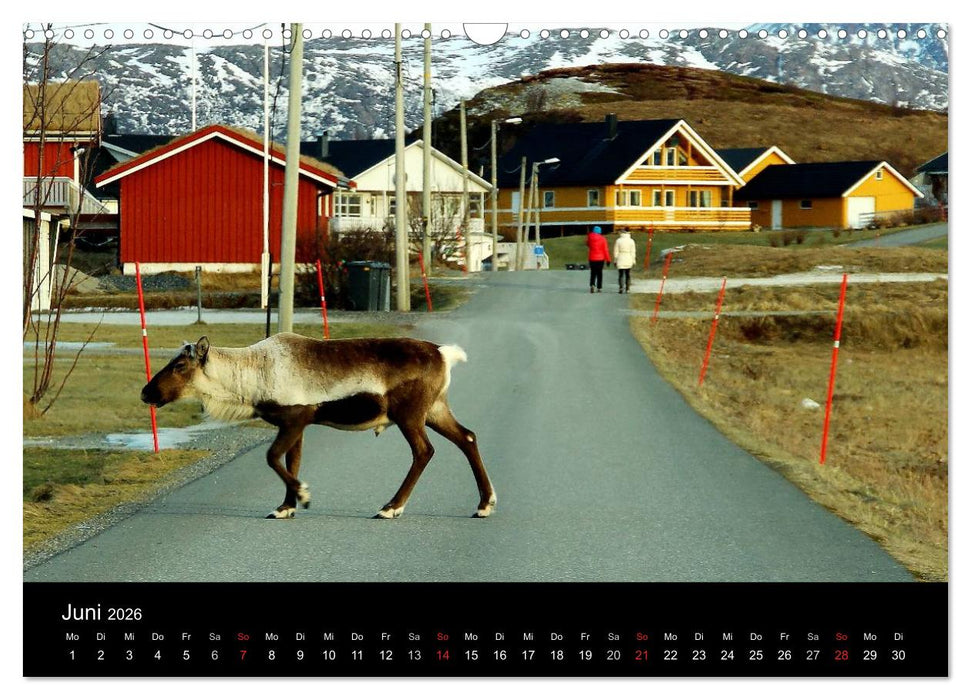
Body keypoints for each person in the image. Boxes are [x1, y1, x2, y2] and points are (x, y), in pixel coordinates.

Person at [586, 226, 611, 293]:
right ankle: (599, 287)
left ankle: (592, 285)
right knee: (599, 273)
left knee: (593, 272)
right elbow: (605, 250)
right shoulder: (603, 239)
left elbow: (587, 244)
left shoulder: (589, 237)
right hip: (600, 258)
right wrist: (608, 259)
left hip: (592, 257)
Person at [613, 228, 636, 293]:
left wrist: (615, 260)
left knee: (621, 274)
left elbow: (616, 251)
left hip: (620, 257)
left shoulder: (618, 241)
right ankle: (627, 288)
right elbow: (633, 252)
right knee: (628, 274)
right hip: (628, 257)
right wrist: (633, 260)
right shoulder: (631, 241)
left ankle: (621, 287)